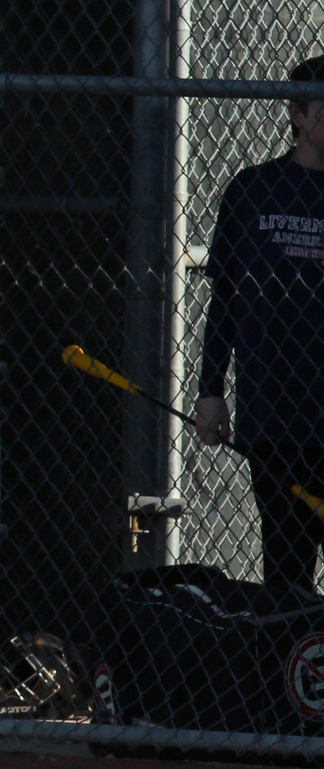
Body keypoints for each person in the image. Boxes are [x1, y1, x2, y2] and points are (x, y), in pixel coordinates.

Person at [196, 54, 324, 595]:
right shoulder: (253, 191)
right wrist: (211, 390)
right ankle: (293, 650)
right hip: (275, 411)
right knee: (288, 570)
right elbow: (225, 296)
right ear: (297, 113)